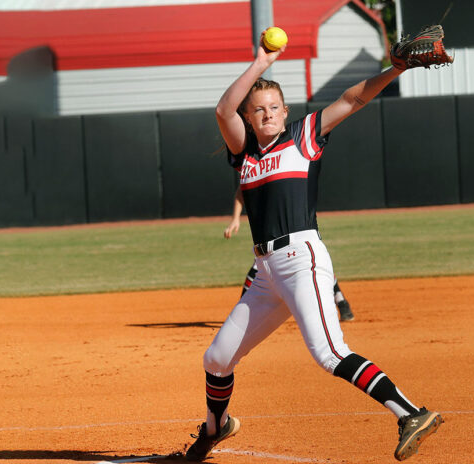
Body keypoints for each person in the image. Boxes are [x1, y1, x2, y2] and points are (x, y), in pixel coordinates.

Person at [186, 31, 442, 462]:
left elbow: (353, 99)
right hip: (265, 273)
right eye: (257, 110)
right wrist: (261, 64)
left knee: (329, 352)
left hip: (300, 258)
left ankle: (411, 413)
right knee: (216, 358)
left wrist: (394, 69)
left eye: (273, 108)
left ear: (285, 112)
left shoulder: (303, 136)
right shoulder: (244, 154)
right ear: (249, 119)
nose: (266, 114)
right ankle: (217, 426)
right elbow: (222, 109)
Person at [224, 186, 355, 321]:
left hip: (296, 223)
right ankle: (341, 301)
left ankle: (340, 301)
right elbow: (242, 189)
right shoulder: (257, 171)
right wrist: (235, 218)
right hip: (273, 228)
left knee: (314, 262)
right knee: (260, 267)